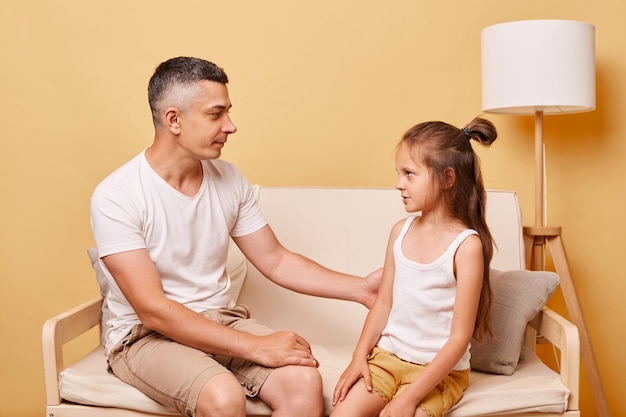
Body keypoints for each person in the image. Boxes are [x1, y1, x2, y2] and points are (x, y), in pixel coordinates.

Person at [90, 56, 381, 417]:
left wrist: (361, 289)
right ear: (174, 120)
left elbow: (275, 259)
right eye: (216, 114)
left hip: (220, 318)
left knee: (303, 380)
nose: (231, 126)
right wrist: (256, 347)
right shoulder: (117, 195)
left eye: (228, 112)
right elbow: (153, 311)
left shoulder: (228, 178)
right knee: (224, 395)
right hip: (144, 337)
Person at [330, 118, 497, 417]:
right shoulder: (399, 231)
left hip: (438, 372)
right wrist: (359, 357)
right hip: (386, 359)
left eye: (409, 174)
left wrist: (407, 400)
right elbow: (383, 302)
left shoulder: (466, 246)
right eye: (398, 173)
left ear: (447, 178)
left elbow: (459, 338)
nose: (398, 184)